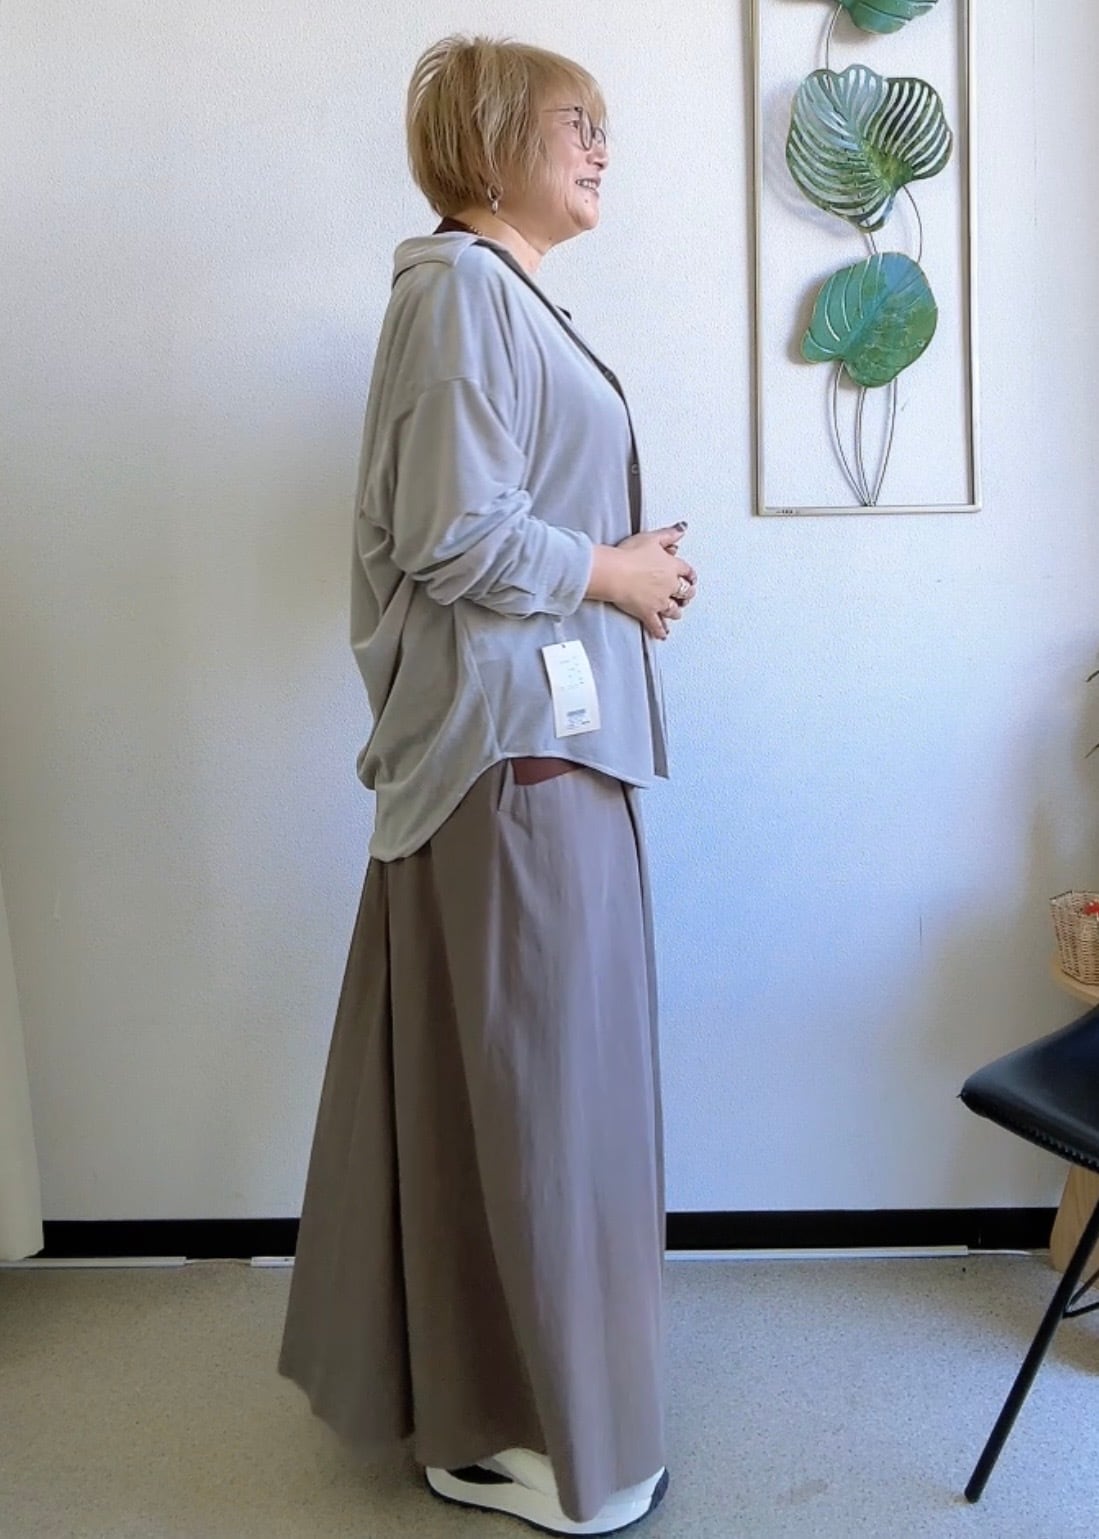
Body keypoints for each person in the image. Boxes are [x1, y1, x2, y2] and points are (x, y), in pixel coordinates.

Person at [277, 33, 698, 1538]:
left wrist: (620, 576)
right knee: (541, 1097)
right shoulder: (463, 292)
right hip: (512, 754)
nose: (602, 149)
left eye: (603, 127)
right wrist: (616, 573)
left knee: (534, 1089)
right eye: (578, 123)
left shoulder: (499, 297)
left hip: (538, 744)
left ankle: (501, 1408)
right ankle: (534, 1430)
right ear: (496, 138)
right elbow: (453, 533)